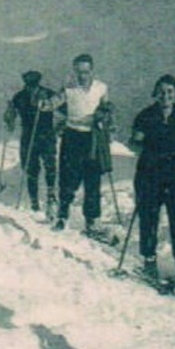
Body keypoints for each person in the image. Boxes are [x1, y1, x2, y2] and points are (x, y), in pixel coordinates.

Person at [129, 74, 175, 290]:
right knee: (149, 217)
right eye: (161, 91)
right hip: (150, 172)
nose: (165, 96)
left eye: (170, 92)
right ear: (155, 93)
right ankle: (149, 261)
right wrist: (140, 145)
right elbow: (135, 143)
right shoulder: (145, 115)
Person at [52, 53, 113, 233]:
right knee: (68, 177)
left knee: (93, 179)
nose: (82, 75)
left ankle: (92, 221)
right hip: (72, 136)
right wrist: (44, 103)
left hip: (92, 137)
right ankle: (62, 216)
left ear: (92, 71)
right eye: (78, 71)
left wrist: (105, 114)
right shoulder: (68, 88)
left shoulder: (101, 88)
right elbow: (53, 103)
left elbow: (107, 107)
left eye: (85, 71)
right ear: (74, 71)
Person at [5, 70, 57, 217]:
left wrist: (59, 127)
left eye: (33, 83)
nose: (31, 86)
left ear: (38, 82)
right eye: (28, 83)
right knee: (30, 168)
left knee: (50, 166)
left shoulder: (48, 94)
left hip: (46, 135)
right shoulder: (19, 97)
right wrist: (9, 113)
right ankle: (34, 203)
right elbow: (10, 119)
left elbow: (63, 109)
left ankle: (51, 196)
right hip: (28, 136)